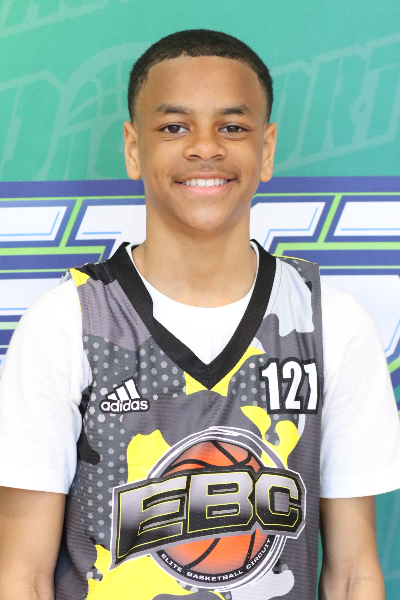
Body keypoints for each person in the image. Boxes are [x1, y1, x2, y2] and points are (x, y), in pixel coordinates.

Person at [0, 29, 399, 600]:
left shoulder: (330, 323)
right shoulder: (69, 323)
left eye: (232, 127)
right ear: (133, 148)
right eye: (174, 127)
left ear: (266, 149)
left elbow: (354, 572)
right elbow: (23, 576)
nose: (205, 148)